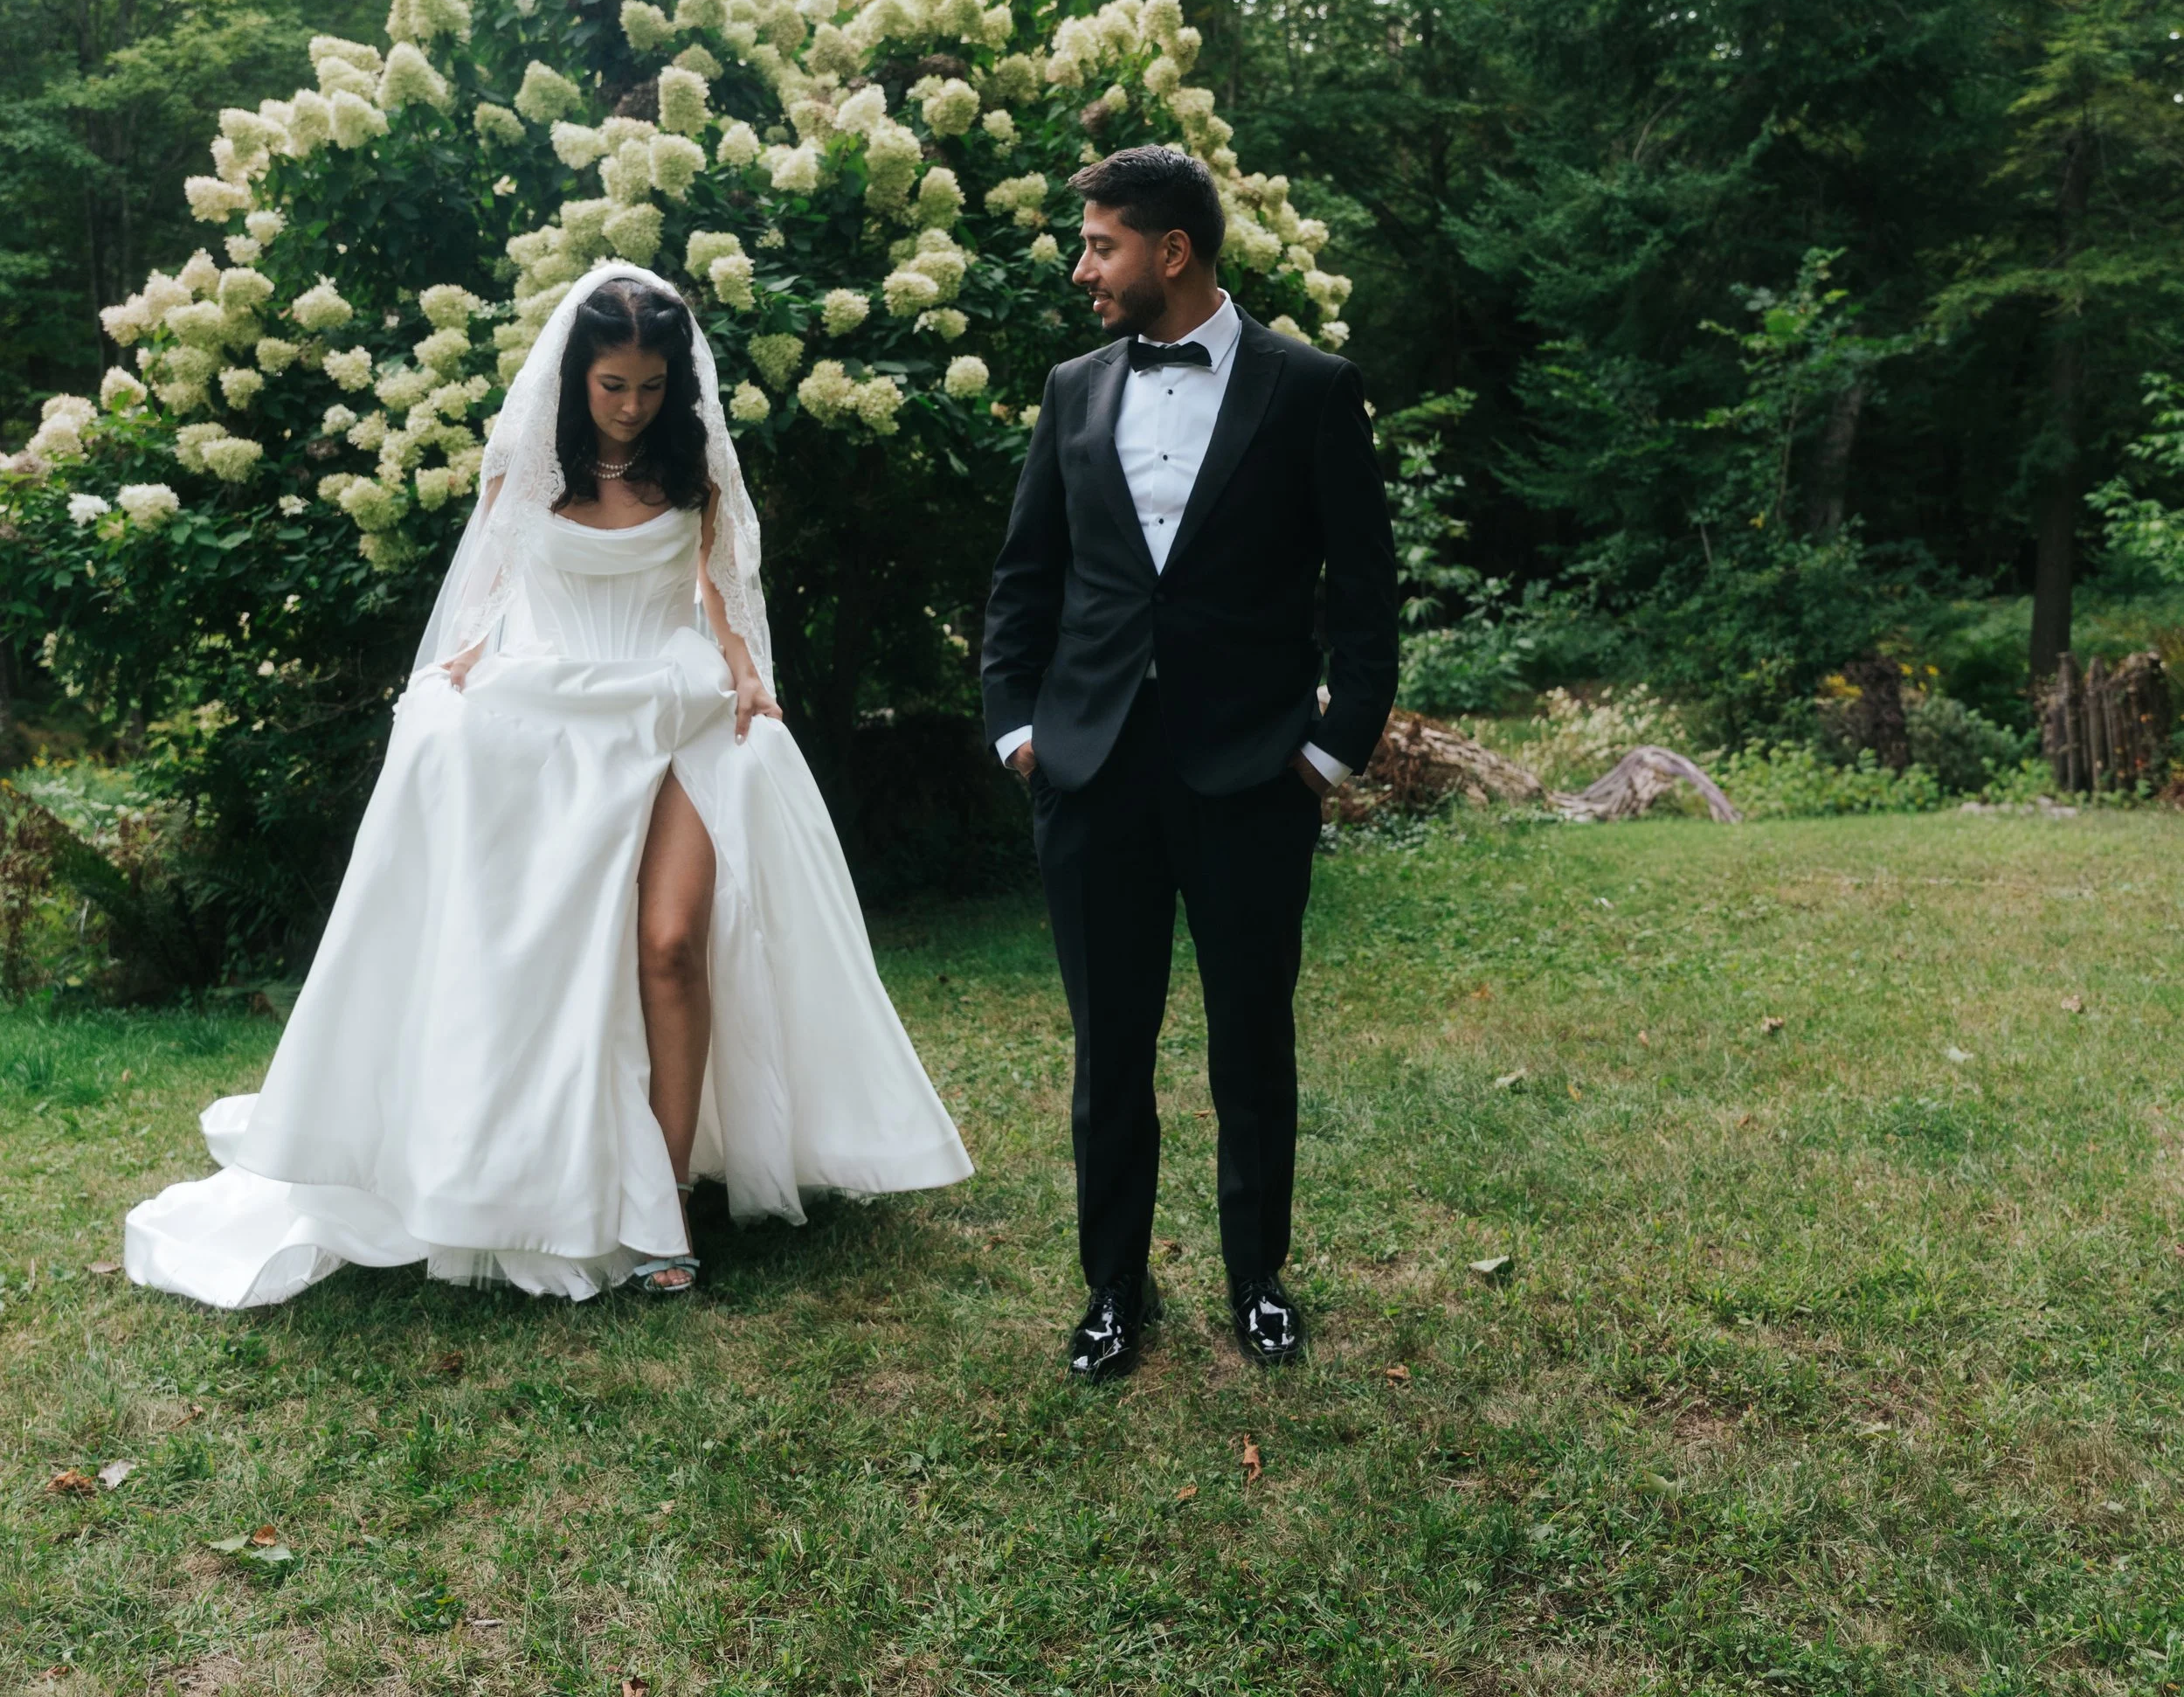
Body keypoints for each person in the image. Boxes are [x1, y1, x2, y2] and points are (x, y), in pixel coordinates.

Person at [125, 261, 971, 1309]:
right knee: (545, 958)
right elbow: (484, 590)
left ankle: (662, 1191)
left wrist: (749, 677)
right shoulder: (526, 465)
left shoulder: (692, 465)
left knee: (669, 946)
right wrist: (457, 676)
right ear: (576, 378)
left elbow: (720, 586)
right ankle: (530, 1169)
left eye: (650, 387)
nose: (630, 407)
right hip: (557, 722)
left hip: (677, 719)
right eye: (612, 386)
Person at [981, 146, 1398, 1382]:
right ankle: (1113, 1291)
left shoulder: (1312, 389)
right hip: (1093, 768)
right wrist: (1018, 730)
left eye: (1101, 243)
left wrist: (1327, 755)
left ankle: (1257, 1278)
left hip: (1253, 773)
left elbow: (1368, 601)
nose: (1083, 266)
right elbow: (1025, 578)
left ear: (1173, 250)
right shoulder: (1071, 389)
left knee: (1252, 1041)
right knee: (1109, 1044)